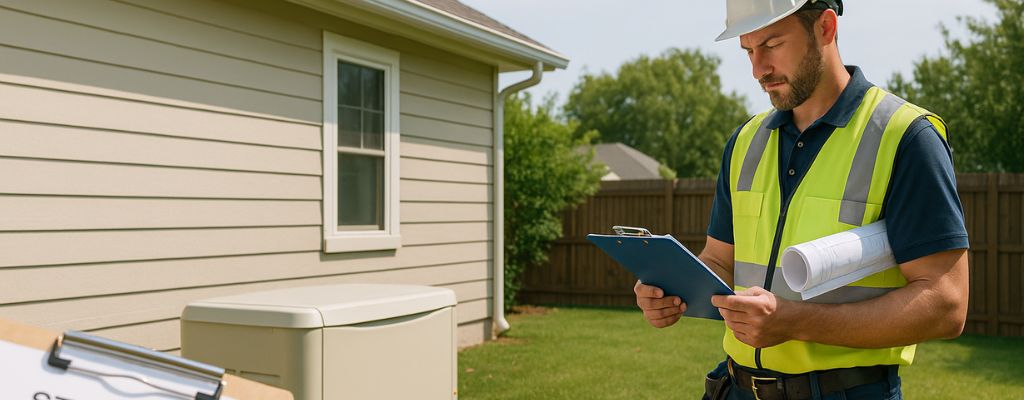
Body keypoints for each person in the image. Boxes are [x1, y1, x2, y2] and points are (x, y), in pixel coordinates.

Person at [633, 1, 970, 399]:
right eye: (748, 51)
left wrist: (795, 322)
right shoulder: (745, 142)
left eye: (772, 44)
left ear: (825, 28)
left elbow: (946, 304)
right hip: (734, 387)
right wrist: (673, 291)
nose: (758, 69)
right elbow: (719, 261)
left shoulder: (905, 137)